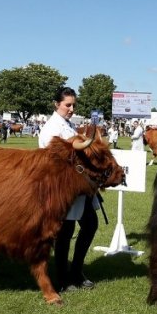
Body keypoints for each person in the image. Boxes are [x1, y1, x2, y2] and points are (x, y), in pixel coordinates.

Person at [39, 86, 100, 292]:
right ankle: (64, 278)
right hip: (63, 189)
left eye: (73, 104)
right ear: (57, 104)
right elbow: (54, 161)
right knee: (65, 232)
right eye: (68, 105)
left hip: (80, 188)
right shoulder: (50, 129)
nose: (72, 108)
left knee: (90, 224)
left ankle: (76, 270)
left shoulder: (67, 125)